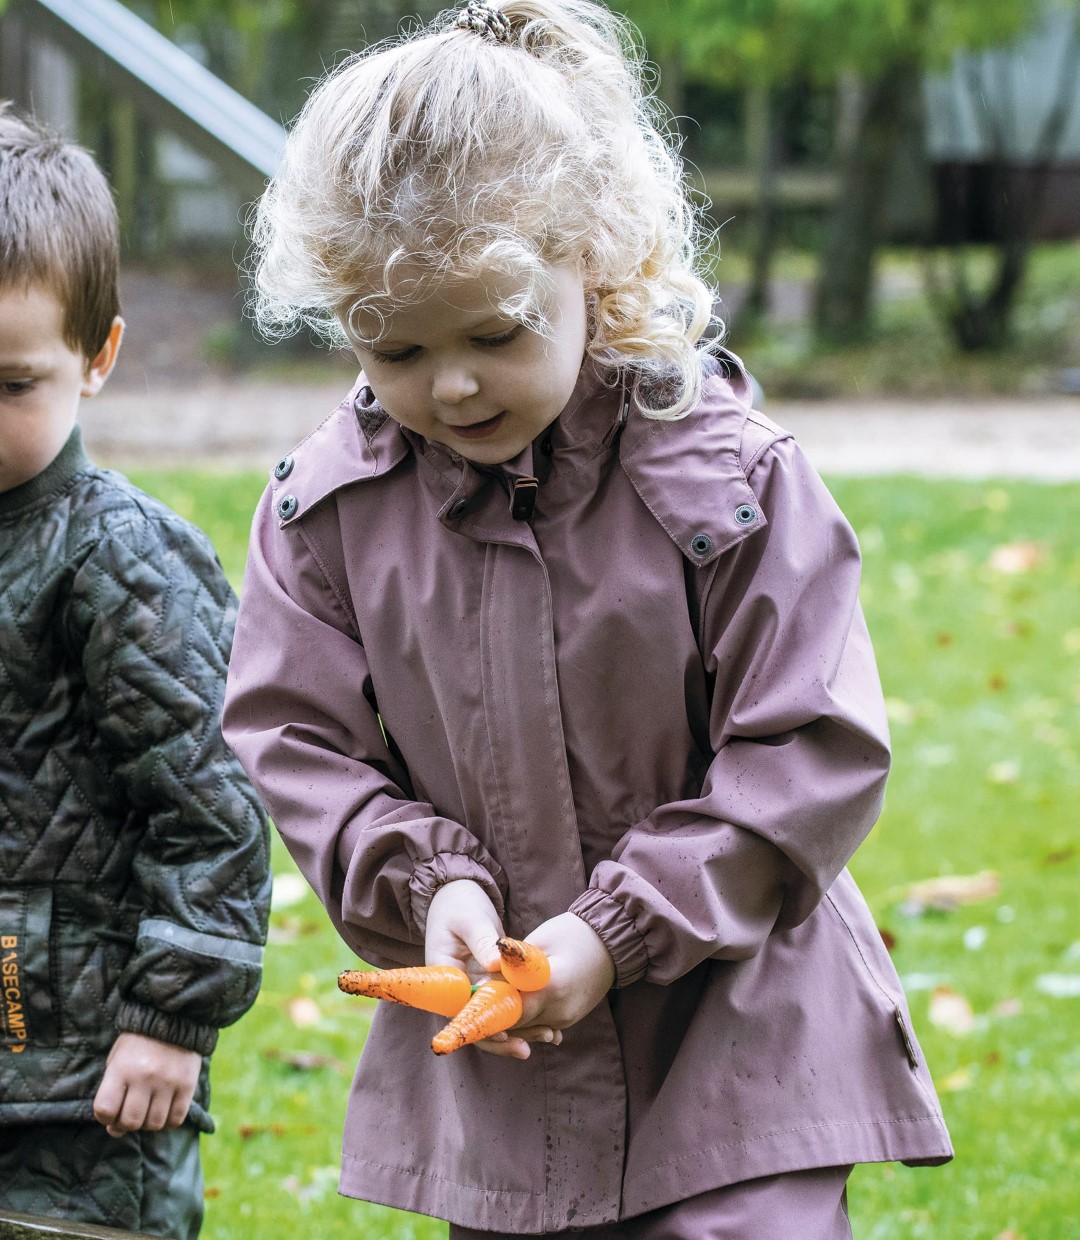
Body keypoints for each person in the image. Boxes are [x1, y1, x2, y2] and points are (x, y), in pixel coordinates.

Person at [222, 3, 952, 1236]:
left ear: (596, 259)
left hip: (736, 1039)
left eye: (494, 333)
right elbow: (295, 740)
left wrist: (619, 930)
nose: (452, 383)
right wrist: (426, 883)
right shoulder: (325, 514)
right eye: (393, 349)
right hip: (505, 1076)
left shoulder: (730, 483)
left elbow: (809, 748)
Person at [0, 103, 271, 1239]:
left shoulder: (123, 559)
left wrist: (171, 1016)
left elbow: (214, 802)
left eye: (12, 384)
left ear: (97, 357)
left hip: (90, 1086)